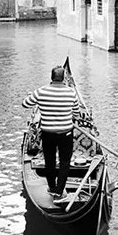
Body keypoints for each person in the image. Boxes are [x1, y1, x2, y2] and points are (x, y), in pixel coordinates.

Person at [30, 63, 87, 193]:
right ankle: (59, 190)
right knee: (64, 162)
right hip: (65, 133)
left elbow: (25, 103)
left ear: (51, 77)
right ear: (63, 79)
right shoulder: (71, 92)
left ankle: (51, 187)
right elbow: (76, 114)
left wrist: (37, 99)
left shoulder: (41, 91)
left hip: (47, 133)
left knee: (49, 161)